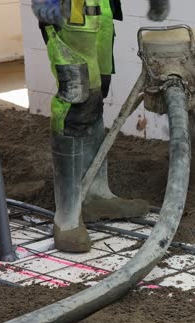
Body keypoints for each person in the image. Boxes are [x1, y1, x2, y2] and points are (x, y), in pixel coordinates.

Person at [31, 0, 169, 252]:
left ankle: (96, 195)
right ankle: (67, 216)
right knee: (76, 101)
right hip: (69, 14)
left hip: (100, 13)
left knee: (95, 99)